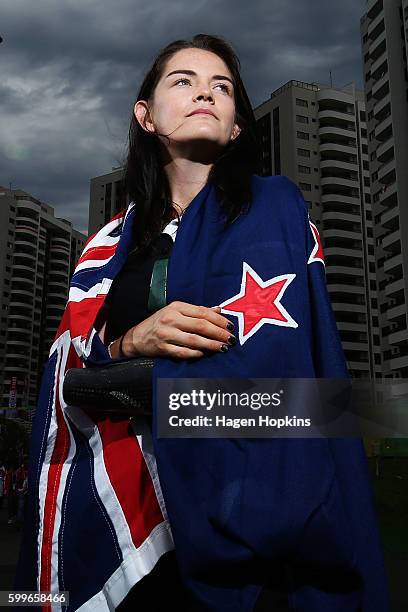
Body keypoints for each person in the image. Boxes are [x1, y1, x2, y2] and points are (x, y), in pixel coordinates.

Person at [14, 34, 391, 612]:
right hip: (138, 518)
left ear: (237, 125)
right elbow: (65, 382)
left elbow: (316, 384)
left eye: (222, 87)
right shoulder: (107, 249)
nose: (206, 94)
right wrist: (128, 343)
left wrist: (169, 393)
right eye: (183, 82)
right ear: (147, 116)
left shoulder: (278, 211)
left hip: (258, 507)